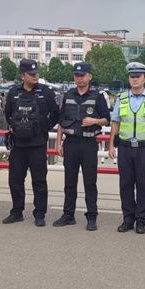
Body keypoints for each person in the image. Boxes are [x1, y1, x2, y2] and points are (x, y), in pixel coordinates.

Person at [2, 59, 60, 227]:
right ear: (23, 76)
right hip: (18, 145)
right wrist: (19, 128)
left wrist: (44, 127)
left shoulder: (46, 92)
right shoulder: (13, 93)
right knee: (15, 179)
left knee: (39, 180)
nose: (35, 76)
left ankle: (40, 214)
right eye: (31, 74)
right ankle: (16, 211)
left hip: (37, 144)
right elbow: (8, 114)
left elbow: (56, 114)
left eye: (36, 73)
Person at [108, 62, 145, 234]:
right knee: (125, 184)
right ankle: (128, 219)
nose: (134, 79)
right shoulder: (121, 98)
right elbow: (115, 122)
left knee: (142, 184)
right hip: (125, 147)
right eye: (132, 76)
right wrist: (111, 145)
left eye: (138, 76)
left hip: (144, 147)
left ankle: (141, 220)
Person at [54, 62, 110, 231]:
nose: (79, 78)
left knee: (90, 182)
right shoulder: (68, 95)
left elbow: (106, 119)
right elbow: (61, 121)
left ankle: (91, 217)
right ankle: (68, 215)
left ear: (89, 76)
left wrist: (94, 121)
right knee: (69, 182)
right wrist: (59, 142)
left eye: (82, 75)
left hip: (88, 143)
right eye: (76, 75)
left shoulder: (98, 96)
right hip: (70, 143)